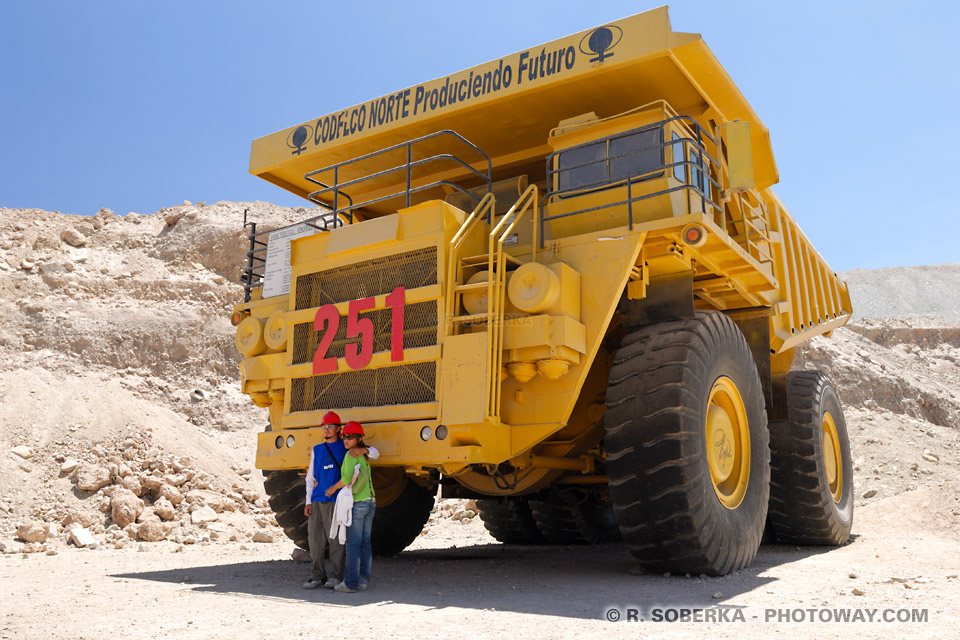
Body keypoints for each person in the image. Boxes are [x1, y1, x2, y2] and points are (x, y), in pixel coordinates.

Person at [302, 412, 378, 590]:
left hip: (336, 501)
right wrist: (307, 501)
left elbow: (374, 453)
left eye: (330, 426)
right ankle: (317, 575)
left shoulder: (347, 448)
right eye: (324, 426)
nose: (326, 429)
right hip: (317, 499)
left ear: (338, 429)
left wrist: (364, 450)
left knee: (335, 539)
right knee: (315, 540)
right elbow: (310, 477)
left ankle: (335, 576)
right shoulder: (317, 450)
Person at [325, 421, 376, 593]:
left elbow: (346, 479)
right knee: (365, 543)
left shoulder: (350, 456)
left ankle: (350, 583)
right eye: (344, 436)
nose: (345, 440)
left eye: (349, 437)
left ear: (358, 438)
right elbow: (376, 453)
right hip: (370, 502)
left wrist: (332, 488)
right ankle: (362, 581)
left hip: (358, 503)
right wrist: (365, 449)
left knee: (353, 544)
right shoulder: (364, 455)